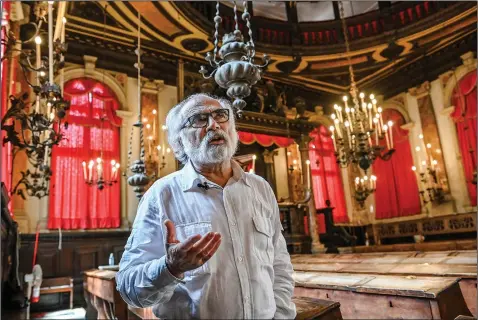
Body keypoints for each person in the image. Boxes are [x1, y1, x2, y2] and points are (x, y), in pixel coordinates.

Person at [116, 93, 296, 319]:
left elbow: (279, 266)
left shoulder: (260, 189)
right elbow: (128, 288)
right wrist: (170, 268)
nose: (214, 125)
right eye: (199, 119)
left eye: (221, 115)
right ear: (179, 140)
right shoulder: (161, 195)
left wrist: (280, 315)